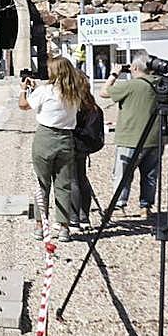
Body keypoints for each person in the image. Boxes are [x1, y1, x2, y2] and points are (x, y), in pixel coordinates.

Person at [19, 55, 82, 242]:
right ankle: (64, 228)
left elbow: (23, 106)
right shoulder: (75, 91)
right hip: (66, 139)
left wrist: (23, 90)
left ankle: (40, 226)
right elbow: (55, 94)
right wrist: (38, 88)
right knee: (63, 185)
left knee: (42, 184)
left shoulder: (45, 91)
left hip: (45, 137)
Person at [100, 53, 160, 218]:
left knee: (123, 175)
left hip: (130, 138)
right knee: (149, 175)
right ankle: (146, 207)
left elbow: (104, 92)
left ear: (134, 68)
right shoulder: (159, 84)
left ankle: (119, 206)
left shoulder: (130, 85)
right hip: (154, 138)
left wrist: (114, 74)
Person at [70, 72, 106, 230]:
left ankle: (74, 218)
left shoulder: (76, 106)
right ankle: (84, 216)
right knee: (82, 179)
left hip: (74, 145)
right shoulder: (92, 105)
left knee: (73, 182)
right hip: (86, 147)